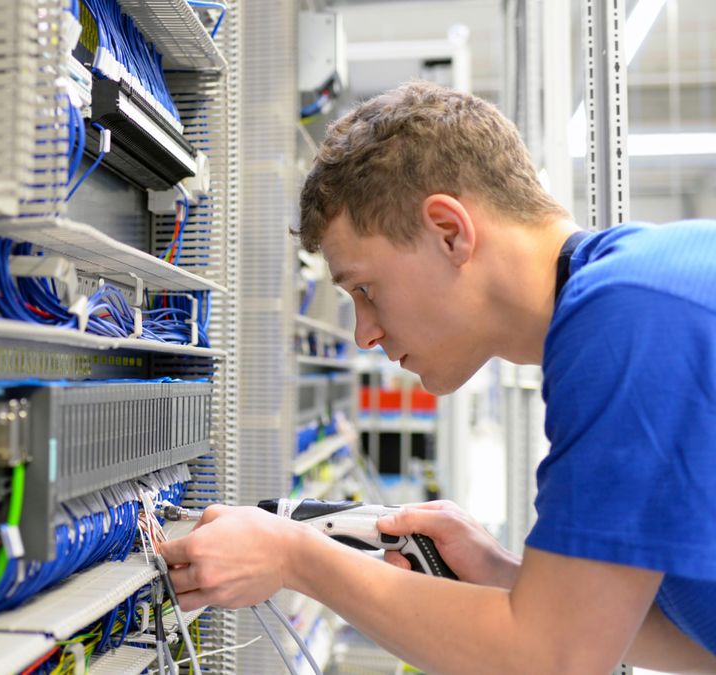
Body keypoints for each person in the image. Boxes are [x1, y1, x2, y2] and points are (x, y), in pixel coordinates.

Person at [158, 81, 716, 673]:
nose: (363, 334)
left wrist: (298, 558)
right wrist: (499, 574)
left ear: (450, 231)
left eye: (365, 290)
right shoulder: (640, 299)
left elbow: (552, 660)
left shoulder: (628, 316)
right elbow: (696, 647)